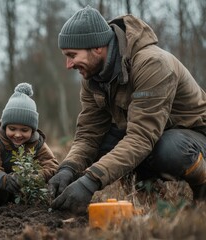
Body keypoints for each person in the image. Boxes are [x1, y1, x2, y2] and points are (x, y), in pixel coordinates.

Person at [48, 5, 206, 213]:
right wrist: (68, 168)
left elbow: (141, 137)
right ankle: (153, 201)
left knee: (167, 149)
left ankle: (202, 192)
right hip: (152, 136)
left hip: (195, 136)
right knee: (104, 143)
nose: (69, 64)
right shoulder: (92, 77)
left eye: (72, 55)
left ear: (97, 48)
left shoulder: (153, 64)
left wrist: (91, 180)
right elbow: (89, 134)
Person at [0, 82, 59, 207]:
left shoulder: (37, 144)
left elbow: (52, 166)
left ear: (32, 130)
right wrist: (4, 180)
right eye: (12, 129)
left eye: (24, 130)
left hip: (25, 193)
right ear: (5, 126)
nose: (17, 134)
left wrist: (34, 178)